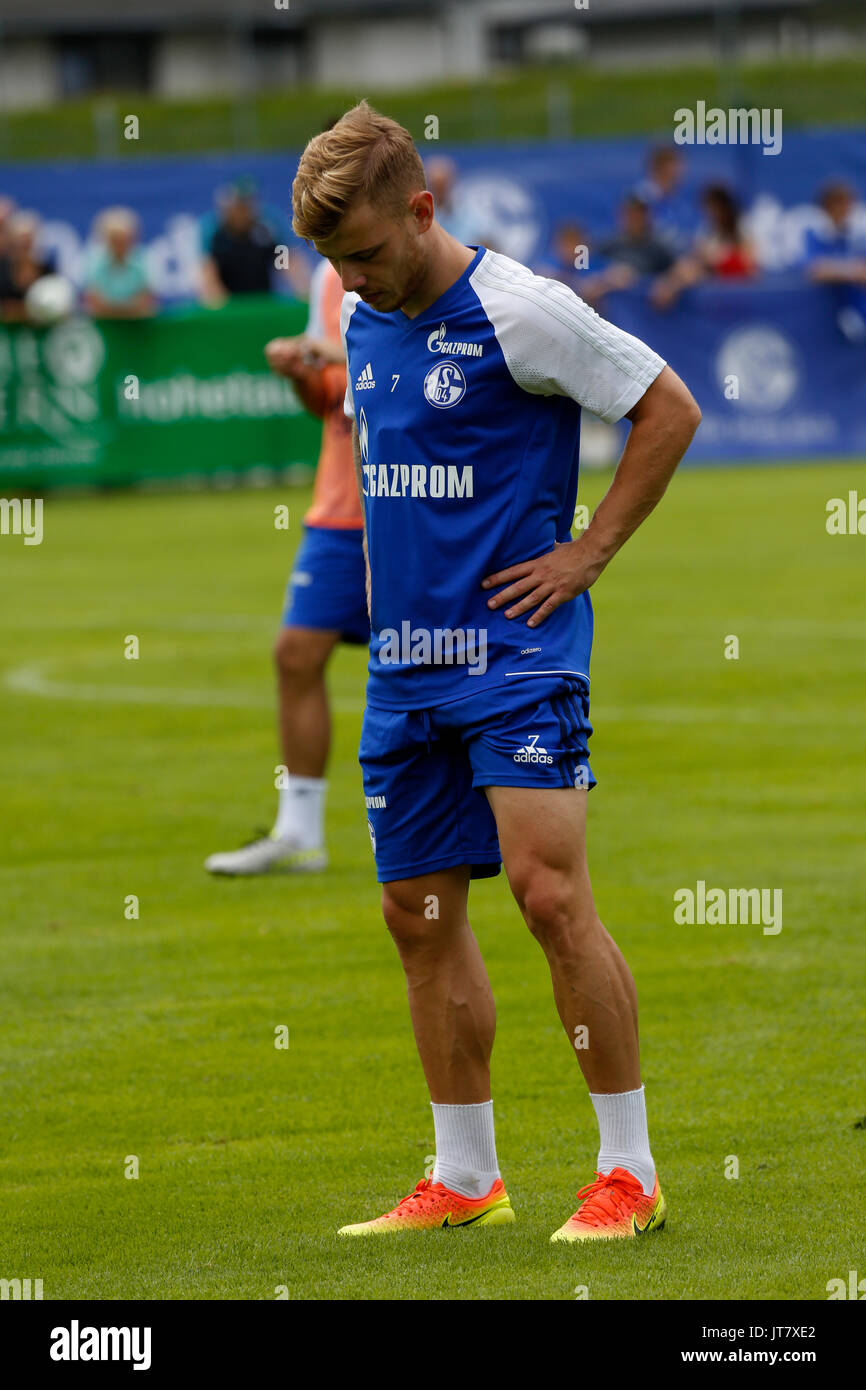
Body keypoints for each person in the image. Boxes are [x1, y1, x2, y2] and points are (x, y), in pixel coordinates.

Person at [292, 102, 701, 1241]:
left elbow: (665, 406)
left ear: (421, 211)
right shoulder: (361, 313)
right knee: (417, 917)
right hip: (405, 672)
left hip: (517, 658)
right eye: (333, 264)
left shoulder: (519, 309)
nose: (354, 281)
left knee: (547, 895)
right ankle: (464, 1176)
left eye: (368, 254)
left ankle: (629, 1171)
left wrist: (587, 552)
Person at [204, 257, 367, 875]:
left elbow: (429, 369)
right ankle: (299, 834)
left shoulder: (428, 256)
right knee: (295, 653)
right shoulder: (329, 278)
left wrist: (330, 352)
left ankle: (471, 830)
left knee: (430, 662)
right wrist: (302, 370)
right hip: (339, 503)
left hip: (416, 500)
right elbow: (329, 403)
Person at [651, 184, 757, 311]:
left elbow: (750, 265)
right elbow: (698, 256)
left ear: (723, 207)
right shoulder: (709, 230)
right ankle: (667, 286)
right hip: (711, 277)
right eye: (707, 207)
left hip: (734, 281)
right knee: (685, 266)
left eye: (712, 206)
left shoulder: (742, 228)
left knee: (689, 269)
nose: (709, 211)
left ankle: (669, 287)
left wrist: (720, 257)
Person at [198, 178, 289, 306]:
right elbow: (208, 272)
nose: (244, 211)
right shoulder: (213, 231)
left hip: (264, 302)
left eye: (248, 204)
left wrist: (302, 290)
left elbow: (286, 262)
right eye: (239, 205)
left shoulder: (268, 227)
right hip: (229, 304)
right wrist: (223, 306)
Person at [580, 195, 675, 307]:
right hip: (612, 314)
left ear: (647, 216)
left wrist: (664, 284)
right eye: (629, 214)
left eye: (638, 214)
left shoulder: (660, 247)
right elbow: (585, 267)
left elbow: (675, 274)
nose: (633, 219)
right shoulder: (609, 243)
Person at [801, 180, 866, 342]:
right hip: (820, 312)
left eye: (849, 203)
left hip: (853, 308)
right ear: (828, 206)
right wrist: (853, 271)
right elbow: (815, 269)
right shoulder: (813, 231)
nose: (847, 209)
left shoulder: (851, 233)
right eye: (842, 203)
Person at [82, 207, 155, 319]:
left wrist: (114, 310)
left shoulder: (143, 262)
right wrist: (128, 310)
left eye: (124, 240)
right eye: (115, 240)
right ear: (106, 240)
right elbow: (94, 303)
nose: (120, 245)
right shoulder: (94, 265)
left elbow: (147, 301)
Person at [0, 211, 54, 322]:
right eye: (21, 241)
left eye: (29, 240)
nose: (25, 245)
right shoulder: (2, 269)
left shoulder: (47, 270)